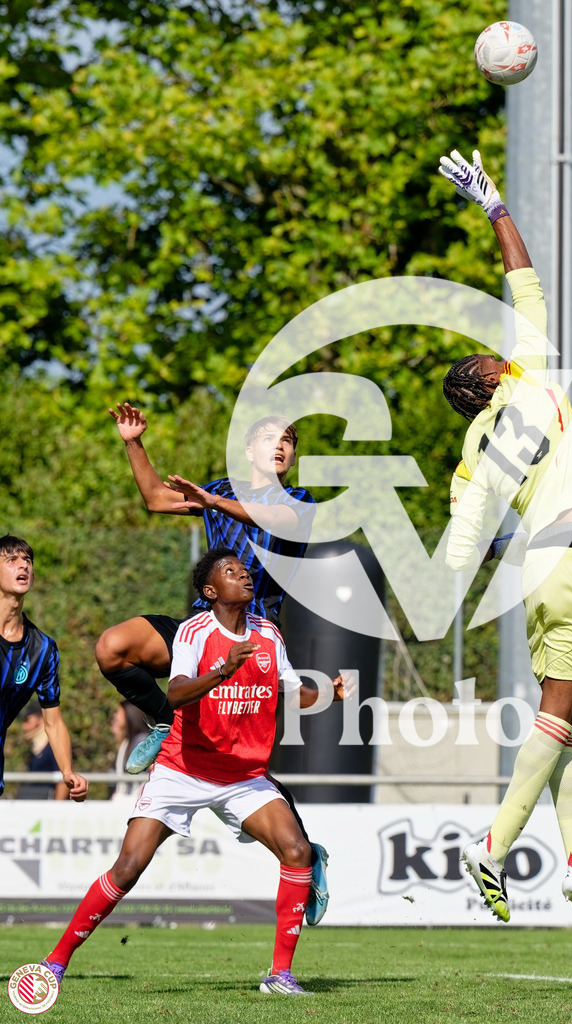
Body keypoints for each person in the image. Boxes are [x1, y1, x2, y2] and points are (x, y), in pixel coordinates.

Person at [437, 149, 572, 926]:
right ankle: (492, 848)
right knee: (559, 715)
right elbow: (527, 285)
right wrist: (493, 206)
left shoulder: (469, 455)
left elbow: (462, 548)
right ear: (482, 380)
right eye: (485, 357)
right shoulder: (527, 377)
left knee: (566, 722)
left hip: (535, 570)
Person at [41, 548, 351, 996]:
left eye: (244, 570)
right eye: (231, 571)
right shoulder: (194, 631)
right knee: (128, 867)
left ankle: (280, 976)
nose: (243, 575)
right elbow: (178, 693)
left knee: (297, 850)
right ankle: (56, 963)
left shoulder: (269, 634)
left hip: (242, 776)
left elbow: (292, 693)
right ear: (211, 591)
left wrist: (331, 694)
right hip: (182, 770)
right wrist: (225, 669)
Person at [96, 404, 329, 925]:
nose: (283, 445)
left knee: (242, 763)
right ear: (249, 451)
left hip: (253, 643)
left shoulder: (299, 501)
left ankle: (306, 855)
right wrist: (133, 442)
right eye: (273, 436)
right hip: (200, 631)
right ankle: (163, 718)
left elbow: (275, 518)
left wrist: (211, 501)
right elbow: (157, 499)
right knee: (113, 647)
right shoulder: (219, 489)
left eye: (290, 440)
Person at [0, 534, 88, 803]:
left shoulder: (42, 650)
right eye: (11, 560)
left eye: (27, 560)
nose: (23, 565)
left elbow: (53, 720)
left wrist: (68, 771)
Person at [16, 703, 69, 800]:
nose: (24, 727)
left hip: (48, 809)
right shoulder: (36, 750)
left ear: (41, 719)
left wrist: (56, 809)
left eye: (27, 720)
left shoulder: (53, 748)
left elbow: (64, 780)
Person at [109, 701, 149, 802]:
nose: (115, 716)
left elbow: (156, 767)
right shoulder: (127, 742)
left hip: (137, 799)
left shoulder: (140, 740)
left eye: (118, 712)